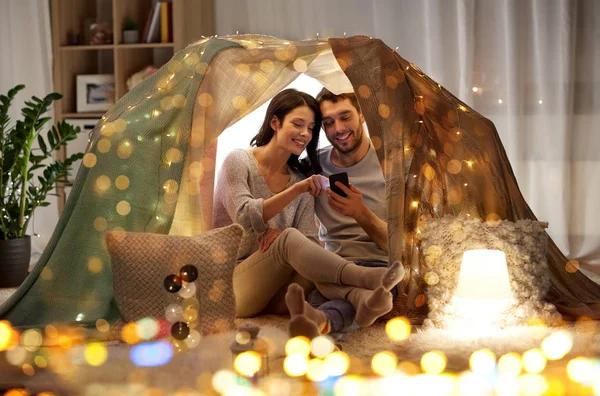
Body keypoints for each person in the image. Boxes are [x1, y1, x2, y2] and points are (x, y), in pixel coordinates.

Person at [212, 88, 402, 332]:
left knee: (313, 267)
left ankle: (358, 299)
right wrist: (296, 193)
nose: (305, 134)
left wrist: (287, 240)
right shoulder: (239, 161)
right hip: (231, 287)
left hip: (276, 291)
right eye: (298, 124)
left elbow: (309, 241)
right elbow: (245, 217)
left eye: (311, 128)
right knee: (292, 240)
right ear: (274, 122)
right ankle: (363, 279)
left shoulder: (300, 176)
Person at [283, 88, 400, 339]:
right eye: (328, 122)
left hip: (380, 267)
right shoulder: (314, 164)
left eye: (345, 117)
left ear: (362, 115)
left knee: (335, 298)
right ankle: (325, 329)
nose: (338, 128)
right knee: (320, 292)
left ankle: (323, 325)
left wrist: (361, 213)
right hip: (332, 265)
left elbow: (400, 248)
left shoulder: (391, 164)